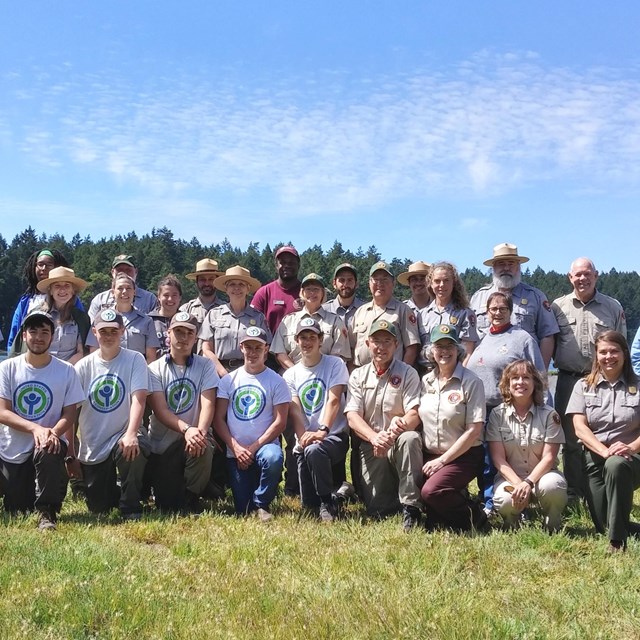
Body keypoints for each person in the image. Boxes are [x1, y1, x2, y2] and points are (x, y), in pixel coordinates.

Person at [0, 310, 84, 530]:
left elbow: (70, 413)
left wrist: (52, 433)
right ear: (24, 335)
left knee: (48, 447)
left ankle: (47, 511)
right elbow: (2, 412)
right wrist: (36, 428)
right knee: (17, 508)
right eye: (33, 331)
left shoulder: (66, 371)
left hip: (49, 445)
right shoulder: (7, 368)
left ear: (53, 336)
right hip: (13, 448)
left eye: (44, 331)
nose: (38, 336)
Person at [552, 257, 627, 502]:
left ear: (596, 275)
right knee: (572, 440)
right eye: (577, 275)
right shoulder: (557, 307)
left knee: (608, 433)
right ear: (569, 278)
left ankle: (605, 489)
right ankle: (574, 492)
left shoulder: (612, 306)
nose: (582, 278)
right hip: (568, 380)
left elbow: (621, 346)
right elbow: (550, 343)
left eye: (587, 274)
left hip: (604, 380)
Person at [467, 291, 545, 513]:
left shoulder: (522, 339)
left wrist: (540, 406)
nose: (498, 313)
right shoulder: (481, 339)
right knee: (484, 461)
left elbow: (538, 375)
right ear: (486, 312)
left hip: (507, 409)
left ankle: (517, 503)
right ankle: (487, 500)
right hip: (479, 409)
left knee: (505, 460)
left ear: (511, 312)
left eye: (503, 308)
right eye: (493, 309)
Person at [72, 309, 151, 520]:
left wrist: (132, 432)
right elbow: (73, 410)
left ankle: (131, 505)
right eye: (103, 331)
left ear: (122, 332)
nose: (108, 336)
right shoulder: (82, 367)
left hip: (123, 434)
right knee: (99, 507)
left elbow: (139, 398)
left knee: (136, 447)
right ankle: (116, 490)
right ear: (94, 332)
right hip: (94, 442)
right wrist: (72, 448)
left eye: (113, 331)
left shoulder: (135, 359)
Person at [345, 319, 422, 530]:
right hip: (372, 446)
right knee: (378, 509)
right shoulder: (358, 375)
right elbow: (352, 416)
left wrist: (393, 433)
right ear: (368, 343)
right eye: (376, 341)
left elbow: (414, 414)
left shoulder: (408, 373)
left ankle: (411, 508)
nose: (381, 347)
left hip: (396, 441)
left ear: (396, 344)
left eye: (387, 341)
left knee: (411, 438)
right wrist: (374, 437)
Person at [566, 331, 640, 552]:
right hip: (594, 459)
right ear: (596, 355)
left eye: (614, 351)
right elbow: (579, 427)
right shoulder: (583, 386)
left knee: (615, 464)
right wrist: (603, 450)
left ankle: (617, 543)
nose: (609, 356)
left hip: (631, 459)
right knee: (604, 524)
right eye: (603, 352)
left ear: (624, 354)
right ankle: (620, 530)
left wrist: (631, 447)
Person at [214, 326, 290, 521]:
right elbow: (218, 419)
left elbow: (280, 422)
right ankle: (251, 502)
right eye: (249, 347)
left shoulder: (277, 381)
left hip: (264, 447)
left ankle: (262, 502)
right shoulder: (229, 380)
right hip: (236, 452)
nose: (253, 352)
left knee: (273, 458)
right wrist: (236, 448)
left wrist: (255, 447)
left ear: (266, 349)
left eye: (258, 347)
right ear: (241, 347)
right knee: (242, 509)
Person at [147, 312, 219, 513]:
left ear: (196, 337)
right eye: (179, 331)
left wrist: (200, 432)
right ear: (169, 334)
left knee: (204, 447)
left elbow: (208, 403)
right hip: (163, 444)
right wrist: (187, 429)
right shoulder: (154, 369)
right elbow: (160, 410)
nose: (184, 337)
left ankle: (192, 496)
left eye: (190, 333)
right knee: (166, 503)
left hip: (195, 437)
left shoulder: (205, 366)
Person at [419, 325, 487, 531]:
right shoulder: (425, 381)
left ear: (458, 350)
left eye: (450, 346)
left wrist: (442, 461)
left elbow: (474, 430)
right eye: (439, 346)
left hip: (463, 455)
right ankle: (444, 516)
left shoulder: (471, 382)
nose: (445, 351)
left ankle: (474, 518)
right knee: (414, 489)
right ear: (431, 351)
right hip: (430, 454)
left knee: (431, 491)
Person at [487, 360, 568, 531]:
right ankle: (512, 525)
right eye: (515, 378)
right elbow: (498, 459)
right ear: (507, 384)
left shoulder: (549, 415)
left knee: (553, 486)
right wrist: (518, 484)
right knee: (505, 499)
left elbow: (549, 458)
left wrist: (528, 483)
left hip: (542, 478)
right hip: (510, 478)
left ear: (535, 383)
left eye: (526, 377)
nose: (520, 382)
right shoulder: (497, 415)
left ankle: (552, 526)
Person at [284, 318, 350, 522]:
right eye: (303, 337)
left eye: (312, 337)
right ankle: (336, 495)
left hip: (334, 435)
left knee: (315, 450)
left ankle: (327, 502)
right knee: (307, 505)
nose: (307, 342)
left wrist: (322, 430)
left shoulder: (335, 364)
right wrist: (303, 437)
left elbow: (334, 400)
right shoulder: (290, 374)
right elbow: (295, 411)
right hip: (306, 441)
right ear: (296, 340)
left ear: (321, 339)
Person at [470, 243, 559, 368]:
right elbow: (469, 339)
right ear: (493, 267)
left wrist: (540, 373)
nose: (506, 268)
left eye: (511, 263)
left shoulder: (536, 297)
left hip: (522, 376)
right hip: (486, 372)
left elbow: (548, 336)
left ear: (518, 267)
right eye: (501, 263)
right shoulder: (478, 298)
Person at [199, 265, 269, 377]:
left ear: (248, 289)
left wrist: (249, 373)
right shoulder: (214, 314)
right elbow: (206, 349)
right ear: (226, 288)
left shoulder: (258, 317)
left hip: (249, 373)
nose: (237, 288)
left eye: (241, 284)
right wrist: (222, 372)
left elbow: (265, 350)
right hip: (217, 373)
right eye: (232, 284)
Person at [271, 273, 351, 370]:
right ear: (302, 293)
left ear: (323, 293)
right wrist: (298, 374)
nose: (312, 293)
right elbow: (280, 353)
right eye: (308, 289)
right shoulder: (288, 321)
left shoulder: (335, 321)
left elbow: (339, 357)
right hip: (292, 378)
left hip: (324, 378)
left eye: (316, 289)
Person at [7, 249, 83, 351]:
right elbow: (14, 335)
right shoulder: (26, 302)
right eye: (40, 264)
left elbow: (82, 337)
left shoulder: (72, 301)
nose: (43, 268)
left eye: (49, 264)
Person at [350, 261, 421, 368]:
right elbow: (351, 347)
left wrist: (401, 375)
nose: (380, 283)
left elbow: (411, 348)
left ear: (393, 284)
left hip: (392, 376)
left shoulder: (403, 310)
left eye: (384, 279)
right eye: (376, 279)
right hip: (362, 376)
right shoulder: (360, 312)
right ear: (369, 283)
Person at [86, 273, 160, 363]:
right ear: (113, 292)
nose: (124, 291)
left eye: (128, 288)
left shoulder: (146, 321)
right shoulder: (100, 319)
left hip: (136, 371)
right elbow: (93, 352)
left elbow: (151, 357)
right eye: (120, 288)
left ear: (134, 292)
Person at [419, 261, 478, 364]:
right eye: (437, 281)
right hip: (425, 374)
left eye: (446, 280)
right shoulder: (421, 315)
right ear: (430, 283)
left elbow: (468, 353)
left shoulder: (465, 314)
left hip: (454, 372)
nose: (442, 285)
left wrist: (460, 377)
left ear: (453, 283)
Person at [33, 266, 91, 364]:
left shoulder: (81, 318)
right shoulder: (36, 315)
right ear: (50, 291)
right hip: (40, 370)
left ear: (73, 291)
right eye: (57, 286)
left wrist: (63, 371)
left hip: (70, 371)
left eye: (67, 285)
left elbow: (81, 352)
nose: (62, 290)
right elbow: (30, 349)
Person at [88, 254, 158, 321]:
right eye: (119, 270)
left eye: (128, 270)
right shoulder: (99, 300)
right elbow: (93, 327)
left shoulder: (149, 299)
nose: (124, 273)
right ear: (112, 272)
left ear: (136, 271)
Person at [250, 245, 302, 336]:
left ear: (298, 265)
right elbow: (252, 323)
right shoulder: (264, 293)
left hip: (300, 349)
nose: (287, 266)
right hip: (269, 349)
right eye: (282, 262)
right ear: (276, 266)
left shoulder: (307, 293)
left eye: (291, 263)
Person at [179, 258, 224, 329]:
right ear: (196, 282)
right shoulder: (185, 309)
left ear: (216, 281)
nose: (207, 283)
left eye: (211, 279)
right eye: (202, 279)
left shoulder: (226, 309)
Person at [148, 275, 183, 358]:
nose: (170, 299)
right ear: (158, 297)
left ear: (180, 297)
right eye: (166, 295)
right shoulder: (149, 320)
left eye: (174, 295)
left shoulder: (186, 321)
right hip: (154, 367)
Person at [322, 263, 364, 329]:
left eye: (350, 280)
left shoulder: (365, 311)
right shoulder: (324, 311)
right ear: (334, 284)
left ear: (356, 284)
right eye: (341, 280)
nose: (345, 284)